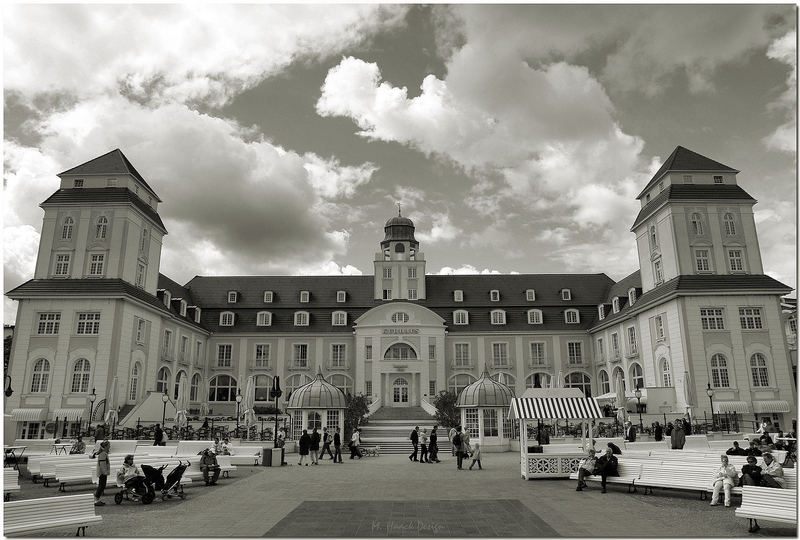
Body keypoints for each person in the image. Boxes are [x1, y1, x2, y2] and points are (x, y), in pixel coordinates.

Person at [91, 440, 110, 506]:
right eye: (108, 445)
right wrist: (105, 472)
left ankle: (97, 499)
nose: (109, 447)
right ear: (105, 446)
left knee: (102, 486)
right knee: (101, 486)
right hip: (102, 472)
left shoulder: (103, 453)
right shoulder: (103, 454)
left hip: (102, 472)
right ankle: (96, 499)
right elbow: (102, 464)